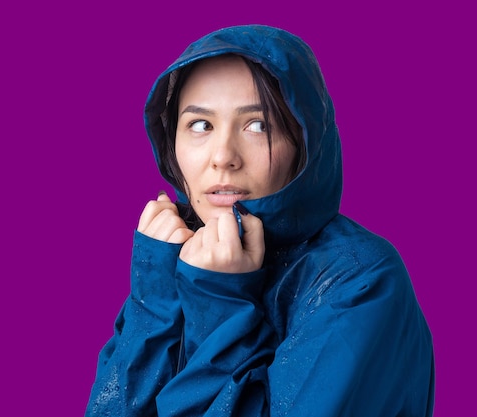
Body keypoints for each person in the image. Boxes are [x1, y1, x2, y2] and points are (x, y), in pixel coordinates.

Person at [85, 24, 435, 416]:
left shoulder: (359, 279)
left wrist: (220, 300)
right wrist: (155, 300)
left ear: (304, 141)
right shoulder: (185, 255)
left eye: (258, 125)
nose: (223, 157)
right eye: (200, 125)